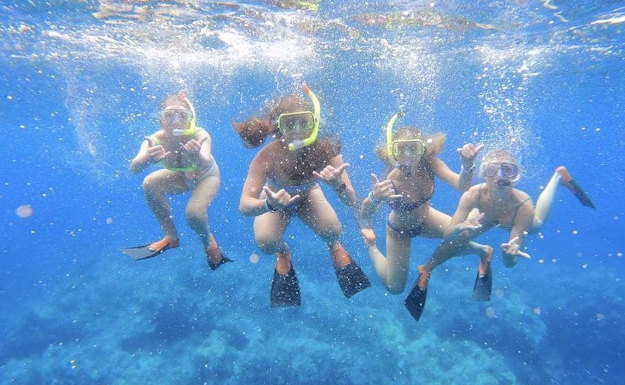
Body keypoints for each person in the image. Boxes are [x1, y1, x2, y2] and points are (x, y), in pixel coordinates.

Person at [405, 149, 595, 320]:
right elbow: (448, 235)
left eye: (508, 171)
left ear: (516, 176)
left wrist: (508, 254)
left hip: (512, 216)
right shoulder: (473, 194)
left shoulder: (523, 204)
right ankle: (428, 268)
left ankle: (557, 177)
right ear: (483, 174)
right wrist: (459, 228)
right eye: (492, 170)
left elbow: (509, 264)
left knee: (536, 225)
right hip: (485, 213)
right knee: (461, 237)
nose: (500, 177)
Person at [233, 85, 370, 307]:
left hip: (309, 195)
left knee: (333, 231)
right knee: (266, 243)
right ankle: (283, 253)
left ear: (314, 122)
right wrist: (269, 204)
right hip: (277, 201)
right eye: (290, 123)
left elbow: (350, 199)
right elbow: (245, 205)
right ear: (279, 127)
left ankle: (334, 246)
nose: (297, 130)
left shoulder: (326, 150)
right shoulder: (266, 157)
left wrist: (338, 185)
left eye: (303, 122)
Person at [359, 111, 484, 296]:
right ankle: (371, 246)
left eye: (413, 148)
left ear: (422, 149)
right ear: (393, 151)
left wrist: (467, 166)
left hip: (427, 219)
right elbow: (366, 214)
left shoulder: (431, 164)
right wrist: (374, 196)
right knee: (395, 288)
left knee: (463, 233)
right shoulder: (390, 178)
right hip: (399, 232)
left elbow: (462, 185)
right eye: (402, 149)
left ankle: (482, 252)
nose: (408, 155)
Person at [123, 92, 231, 270]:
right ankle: (171, 237)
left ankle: (208, 244)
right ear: (160, 120)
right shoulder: (155, 140)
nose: (175, 121)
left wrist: (197, 157)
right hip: (181, 177)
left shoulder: (200, 135)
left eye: (182, 114)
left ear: (191, 119)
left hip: (206, 177)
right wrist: (146, 159)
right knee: (149, 184)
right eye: (169, 115)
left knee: (194, 214)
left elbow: (205, 161)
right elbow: (134, 167)